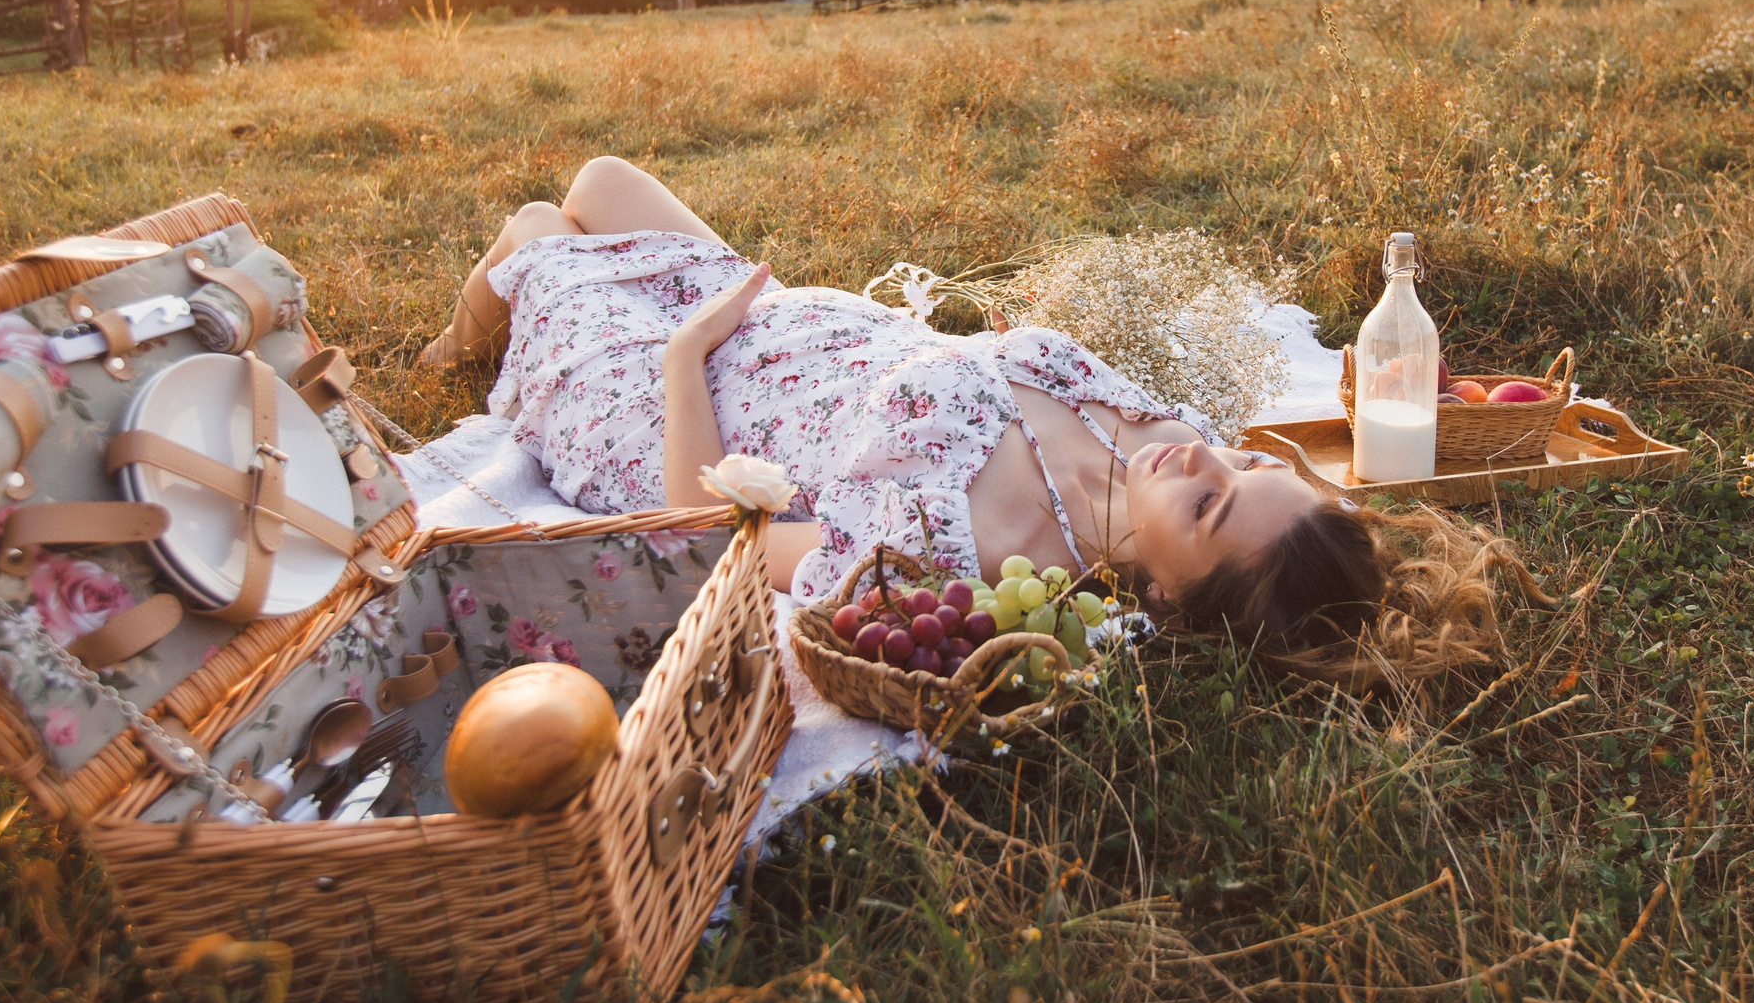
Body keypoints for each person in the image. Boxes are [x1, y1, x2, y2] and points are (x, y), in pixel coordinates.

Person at [419, 157, 1536, 688]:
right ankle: (501, 294)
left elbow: (707, 526)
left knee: (538, 232)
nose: (1202, 453)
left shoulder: (968, 556)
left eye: (1209, 504)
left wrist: (685, 353)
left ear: (1157, 596)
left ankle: (470, 332)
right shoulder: (1158, 432)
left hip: (680, 389)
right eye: (1245, 462)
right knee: (602, 182)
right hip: (786, 316)